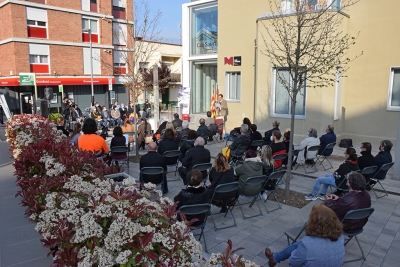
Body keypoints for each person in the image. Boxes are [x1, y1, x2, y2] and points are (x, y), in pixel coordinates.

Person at [265, 204, 344, 267]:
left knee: (301, 248)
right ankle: (274, 258)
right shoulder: (341, 237)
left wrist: (296, 253)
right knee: (300, 245)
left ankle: (274, 258)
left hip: (307, 248)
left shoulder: (307, 244)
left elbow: (293, 262)